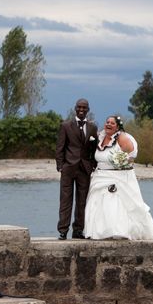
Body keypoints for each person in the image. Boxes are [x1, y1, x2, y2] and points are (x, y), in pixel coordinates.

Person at [83, 115, 153, 240]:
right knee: (98, 204)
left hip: (117, 177)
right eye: (107, 122)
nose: (109, 124)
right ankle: (99, 232)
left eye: (112, 123)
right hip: (100, 176)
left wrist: (121, 161)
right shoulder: (100, 138)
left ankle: (118, 231)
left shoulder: (121, 138)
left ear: (117, 126)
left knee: (115, 204)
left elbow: (130, 157)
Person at [55, 98, 98, 240]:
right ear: (75, 108)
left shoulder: (92, 127)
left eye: (84, 107)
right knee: (65, 200)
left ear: (88, 110)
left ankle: (78, 230)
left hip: (84, 169)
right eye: (79, 107)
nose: (81, 110)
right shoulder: (66, 126)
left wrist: (92, 164)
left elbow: (93, 148)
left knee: (82, 201)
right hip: (68, 167)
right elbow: (60, 147)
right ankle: (63, 230)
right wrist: (60, 165)